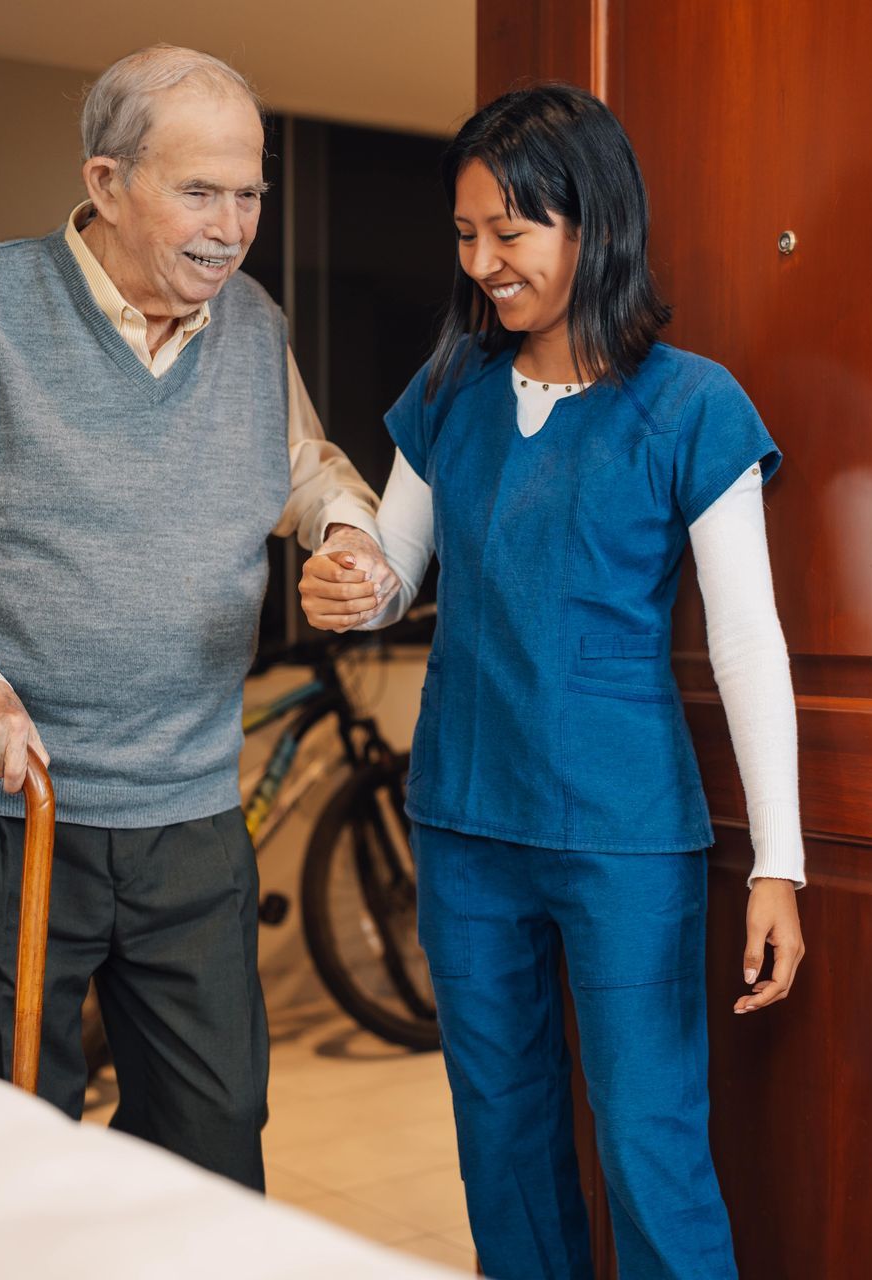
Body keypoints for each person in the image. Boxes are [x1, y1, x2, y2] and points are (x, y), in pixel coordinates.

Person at [0, 45, 397, 1192]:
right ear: (105, 182)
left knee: (214, 1143)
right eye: (199, 191)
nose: (231, 224)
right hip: (2, 806)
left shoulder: (252, 325)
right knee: (2, 1154)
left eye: (249, 193)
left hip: (188, 808)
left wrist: (352, 537)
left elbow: (308, 467)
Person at [301, 83, 805, 1278]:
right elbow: (394, 567)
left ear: (595, 222)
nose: (483, 262)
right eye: (466, 234)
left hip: (623, 835)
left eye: (510, 232)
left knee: (648, 1142)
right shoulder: (448, 395)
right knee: (505, 1144)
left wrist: (781, 861)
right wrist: (347, 573)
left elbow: (745, 638)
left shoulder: (692, 404)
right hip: (465, 820)